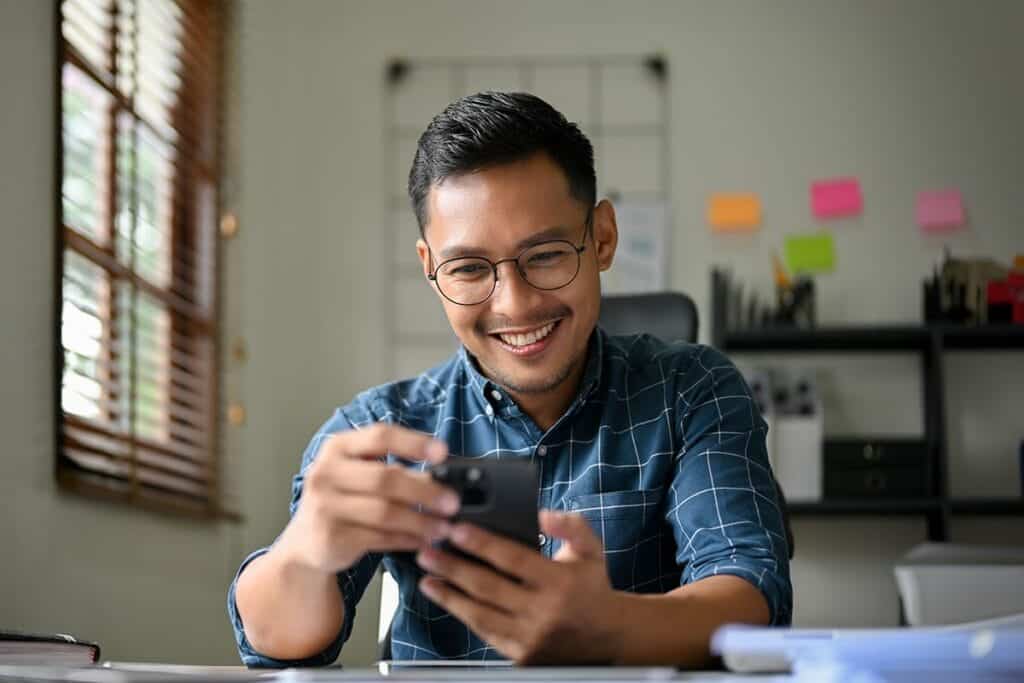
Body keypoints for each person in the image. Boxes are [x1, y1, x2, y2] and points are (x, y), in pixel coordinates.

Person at [228, 91, 791, 668]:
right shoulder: (379, 431)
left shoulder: (691, 390)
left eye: (545, 255)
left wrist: (607, 630)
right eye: (470, 268)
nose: (515, 305)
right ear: (430, 267)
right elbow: (280, 645)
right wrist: (301, 557)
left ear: (601, 238)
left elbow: (750, 593)